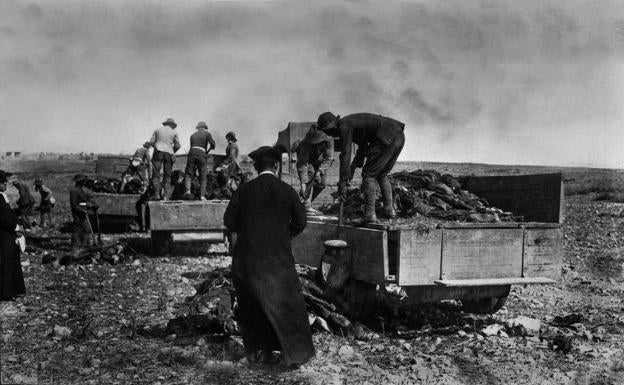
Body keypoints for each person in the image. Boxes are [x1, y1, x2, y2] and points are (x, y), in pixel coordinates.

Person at [223, 146, 314, 367]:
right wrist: (283, 236)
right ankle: (292, 355)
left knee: (252, 304)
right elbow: (301, 221)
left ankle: (258, 353)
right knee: (287, 304)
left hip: (247, 260)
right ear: (276, 166)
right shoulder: (287, 190)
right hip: (278, 259)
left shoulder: (243, 191)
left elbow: (229, 222)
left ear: (255, 167)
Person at [317, 111, 405, 223]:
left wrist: (342, 183)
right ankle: (389, 210)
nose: (329, 135)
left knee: (369, 175)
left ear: (331, 126)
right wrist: (353, 168)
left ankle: (369, 215)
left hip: (385, 138)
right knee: (382, 174)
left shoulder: (344, 125)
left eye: (327, 131)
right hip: (398, 135)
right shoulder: (352, 123)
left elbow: (345, 155)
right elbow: (363, 146)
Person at [291, 126, 334, 214]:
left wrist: (320, 170)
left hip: (321, 162)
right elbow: (303, 164)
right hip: (308, 162)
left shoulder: (329, 140)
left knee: (321, 184)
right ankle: (306, 206)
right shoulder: (305, 143)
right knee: (309, 179)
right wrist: (303, 183)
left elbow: (329, 158)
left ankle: (302, 203)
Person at [0, 170, 26, 301]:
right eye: (3, 182)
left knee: (11, 260)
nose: (5, 184)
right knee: (7, 261)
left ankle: (13, 290)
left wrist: (17, 225)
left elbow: (8, 215)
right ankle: (7, 292)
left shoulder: (2, 196)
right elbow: (2, 218)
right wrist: (15, 226)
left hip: (8, 233)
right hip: (4, 234)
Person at [147, 118, 181, 200]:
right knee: (167, 175)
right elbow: (178, 146)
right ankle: (166, 196)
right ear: (172, 125)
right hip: (169, 153)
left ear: (165, 124)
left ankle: (156, 195)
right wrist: (172, 151)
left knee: (156, 174)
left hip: (158, 151)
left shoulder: (157, 130)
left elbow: (151, 142)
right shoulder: (174, 132)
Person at [184, 121, 215, 200]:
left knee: (188, 174)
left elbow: (192, 147)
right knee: (203, 176)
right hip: (202, 155)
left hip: (192, 154)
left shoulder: (192, 135)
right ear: (204, 127)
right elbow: (213, 144)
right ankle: (202, 196)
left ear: (198, 128)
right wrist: (208, 150)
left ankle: (188, 191)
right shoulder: (207, 134)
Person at [69, 174, 98, 247]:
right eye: (83, 181)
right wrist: (82, 210)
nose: (84, 182)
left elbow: (83, 202)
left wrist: (91, 205)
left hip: (83, 212)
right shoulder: (74, 191)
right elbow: (74, 204)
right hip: (77, 213)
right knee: (77, 230)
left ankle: (84, 245)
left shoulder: (81, 190)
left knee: (86, 229)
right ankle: (74, 246)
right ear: (80, 182)